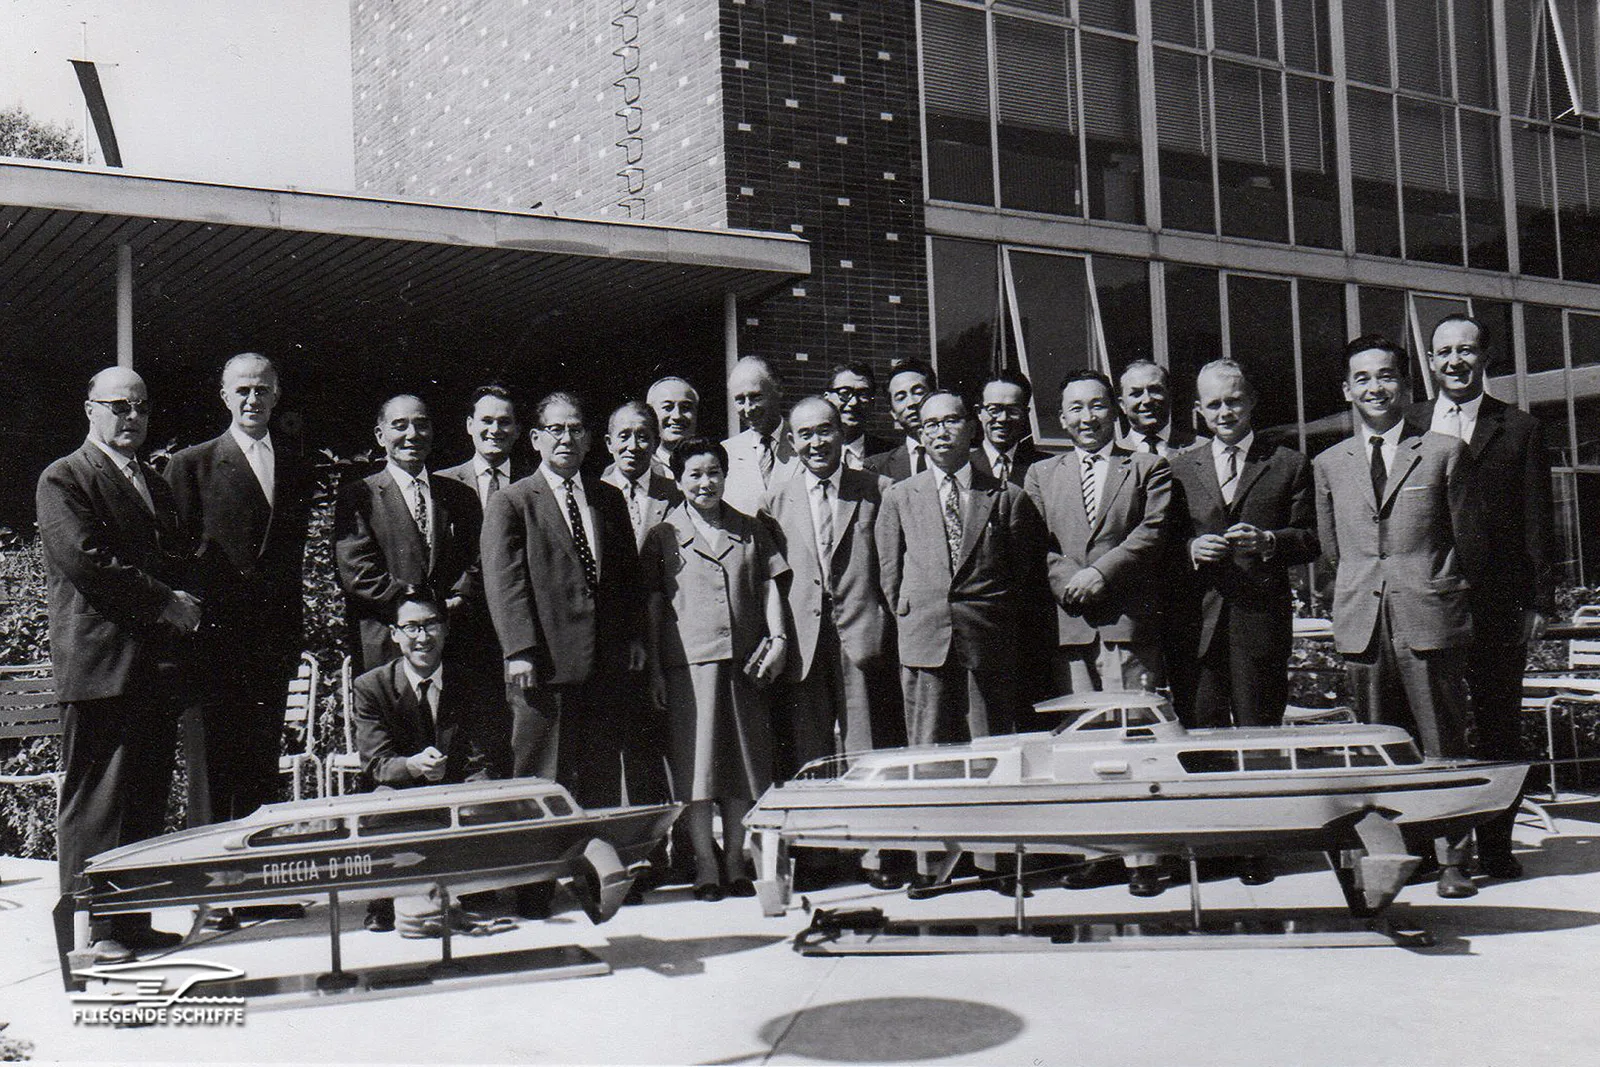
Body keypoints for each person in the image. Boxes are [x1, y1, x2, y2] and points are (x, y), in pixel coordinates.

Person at [38, 367, 202, 962]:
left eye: (140, 408)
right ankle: (96, 930)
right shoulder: (64, 477)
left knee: (144, 797)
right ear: (90, 410)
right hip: (101, 667)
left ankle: (133, 922)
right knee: (98, 801)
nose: (131, 417)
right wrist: (165, 601)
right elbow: (87, 560)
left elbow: (176, 555)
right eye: (118, 407)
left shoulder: (153, 482)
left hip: (153, 668)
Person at [1312, 335, 1477, 898]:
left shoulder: (1443, 451)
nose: (1374, 388)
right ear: (1346, 390)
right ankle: (1388, 858)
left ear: (1408, 387)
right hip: (1363, 614)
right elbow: (1333, 550)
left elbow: (1466, 540)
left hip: (1426, 613)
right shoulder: (1329, 464)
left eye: (1386, 376)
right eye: (1362, 378)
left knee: (1442, 741)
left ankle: (1453, 859)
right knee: (1374, 746)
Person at [1406, 314, 1554, 879]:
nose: (1454, 362)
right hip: (1428, 598)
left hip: (1495, 602)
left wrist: (1539, 599)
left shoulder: (1518, 428)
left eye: (1465, 351)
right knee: (1430, 724)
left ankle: (1495, 844)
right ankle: (1429, 848)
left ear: (1485, 357)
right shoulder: (1411, 423)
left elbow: (1538, 516)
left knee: (1497, 724)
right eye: (1443, 352)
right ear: (1431, 360)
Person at [165, 354, 312, 831]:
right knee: (212, 769)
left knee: (260, 763)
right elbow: (173, 557)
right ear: (225, 396)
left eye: (263, 390)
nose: (253, 399)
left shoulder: (296, 462)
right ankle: (216, 895)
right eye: (243, 390)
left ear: (277, 395)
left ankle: (257, 881)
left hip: (272, 642)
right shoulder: (191, 465)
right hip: (213, 646)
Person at [481, 392, 646, 805]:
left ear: (589, 440)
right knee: (543, 781)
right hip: (543, 666)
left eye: (575, 430)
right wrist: (519, 649)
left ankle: (594, 865)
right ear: (535, 438)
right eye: (556, 430)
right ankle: (545, 868)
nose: (566, 439)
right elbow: (505, 582)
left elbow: (627, 578)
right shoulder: (512, 502)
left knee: (600, 775)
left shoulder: (607, 497)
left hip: (603, 664)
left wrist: (635, 637)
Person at [643, 438, 788, 901]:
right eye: (694, 475)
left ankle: (734, 861)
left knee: (744, 766)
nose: (705, 483)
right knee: (696, 771)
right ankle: (705, 865)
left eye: (713, 473)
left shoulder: (750, 528)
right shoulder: (663, 535)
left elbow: (769, 587)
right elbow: (653, 605)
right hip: (688, 665)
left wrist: (778, 638)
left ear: (725, 476)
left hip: (745, 665)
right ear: (679, 480)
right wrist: (655, 670)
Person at [877, 392, 1045, 744]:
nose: (941, 432)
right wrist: (920, 613)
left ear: (971, 427)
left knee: (990, 748)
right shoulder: (899, 496)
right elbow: (890, 575)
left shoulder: (1005, 495)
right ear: (921, 436)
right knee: (928, 750)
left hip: (986, 643)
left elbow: (1022, 576)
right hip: (925, 641)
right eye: (931, 425)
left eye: (951, 421)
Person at [1168, 360, 1318, 728]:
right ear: (1199, 411)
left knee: (1262, 736)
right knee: (1202, 738)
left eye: (1234, 401)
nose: (1225, 412)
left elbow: (1312, 537)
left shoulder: (1289, 464)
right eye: (1214, 404)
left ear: (1252, 401)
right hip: (1197, 627)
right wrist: (1190, 549)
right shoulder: (1179, 469)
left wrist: (1268, 541)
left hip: (1259, 625)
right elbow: (1161, 543)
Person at [761, 396, 901, 776]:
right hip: (803, 639)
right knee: (809, 754)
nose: (816, 443)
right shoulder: (774, 502)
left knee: (867, 750)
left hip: (862, 634)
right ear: (791, 443)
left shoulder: (879, 489)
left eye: (825, 431)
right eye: (805, 435)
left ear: (841, 434)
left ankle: (871, 831)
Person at [1023, 370, 1172, 696]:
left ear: (1115, 411)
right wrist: (1069, 581)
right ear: (1062, 418)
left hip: (1127, 626)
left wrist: (1101, 574)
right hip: (1070, 626)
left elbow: (1153, 532)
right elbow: (1032, 542)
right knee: (1079, 734)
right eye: (1076, 409)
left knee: (1132, 731)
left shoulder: (1147, 466)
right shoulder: (1041, 473)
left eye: (1097, 406)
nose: (1087, 418)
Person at [352, 590, 494, 932]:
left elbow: (481, 758)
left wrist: (476, 798)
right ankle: (384, 899)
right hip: (399, 789)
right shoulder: (371, 686)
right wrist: (413, 766)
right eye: (411, 627)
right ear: (395, 634)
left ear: (445, 630)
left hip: (455, 789)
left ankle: (469, 888)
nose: (422, 637)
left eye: (431, 625)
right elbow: (376, 764)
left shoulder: (471, 682)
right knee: (380, 800)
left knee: (486, 796)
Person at [334, 395, 483, 672]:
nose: (412, 434)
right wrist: (415, 608)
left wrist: (459, 597)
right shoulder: (359, 496)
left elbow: (477, 557)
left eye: (421, 425)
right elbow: (358, 572)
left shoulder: (459, 495)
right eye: (400, 426)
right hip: (387, 642)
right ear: (380, 435)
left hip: (451, 641)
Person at [436, 385, 534, 508]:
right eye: (487, 421)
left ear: (517, 430)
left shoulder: (533, 481)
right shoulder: (442, 481)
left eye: (504, 422)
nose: (495, 430)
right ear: (470, 425)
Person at [602, 400, 682, 549]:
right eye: (624, 436)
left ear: (656, 443)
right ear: (609, 443)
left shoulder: (675, 494)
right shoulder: (595, 495)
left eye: (642, 437)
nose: (633, 446)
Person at [722, 356, 796, 513]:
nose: (748, 409)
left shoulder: (805, 444)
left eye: (756, 397)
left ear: (779, 390)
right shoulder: (726, 452)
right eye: (740, 400)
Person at [866, 358, 937, 481]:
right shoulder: (877, 468)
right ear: (893, 413)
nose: (911, 403)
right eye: (901, 397)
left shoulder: (965, 456)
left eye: (919, 392)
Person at [971, 371, 1045, 487]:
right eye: (994, 410)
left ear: (1025, 414)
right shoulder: (963, 464)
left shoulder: (1044, 466)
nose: (1003, 418)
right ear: (979, 412)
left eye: (1013, 411)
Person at [826, 361, 894, 469]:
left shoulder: (890, 455)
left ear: (872, 403)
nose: (854, 402)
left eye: (863, 394)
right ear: (827, 398)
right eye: (845, 393)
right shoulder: (812, 451)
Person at [1118, 360, 1193, 456]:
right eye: (1136, 393)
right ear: (1122, 404)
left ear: (1170, 396)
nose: (1147, 400)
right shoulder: (1111, 455)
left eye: (1155, 390)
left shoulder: (1199, 447)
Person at [645, 376, 699, 477]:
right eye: (667, 407)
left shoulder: (712, 466)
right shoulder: (641, 469)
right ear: (650, 414)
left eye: (685, 407)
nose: (677, 416)